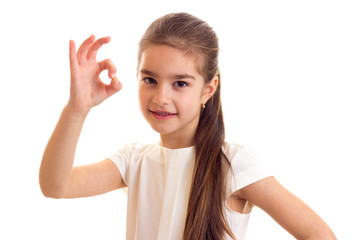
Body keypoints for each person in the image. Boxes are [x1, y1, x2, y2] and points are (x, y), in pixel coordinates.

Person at [39, 12, 336, 240]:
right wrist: (77, 110)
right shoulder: (133, 161)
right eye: (149, 80)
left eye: (180, 83)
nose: (161, 97)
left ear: (208, 89)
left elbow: (319, 234)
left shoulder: (233, 163)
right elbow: (55, 186)